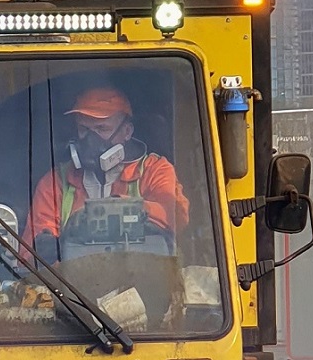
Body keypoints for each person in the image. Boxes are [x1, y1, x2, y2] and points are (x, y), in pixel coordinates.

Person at [22, 86, 189, 256]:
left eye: (102, 129)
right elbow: (31, 252)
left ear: (127, 131)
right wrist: (56, 245)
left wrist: (115, 208)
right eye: (84, 129)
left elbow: (173, 217)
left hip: (143, 276)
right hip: (73, 280)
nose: (90, 140)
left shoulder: (154, 170)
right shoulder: (56, 181)